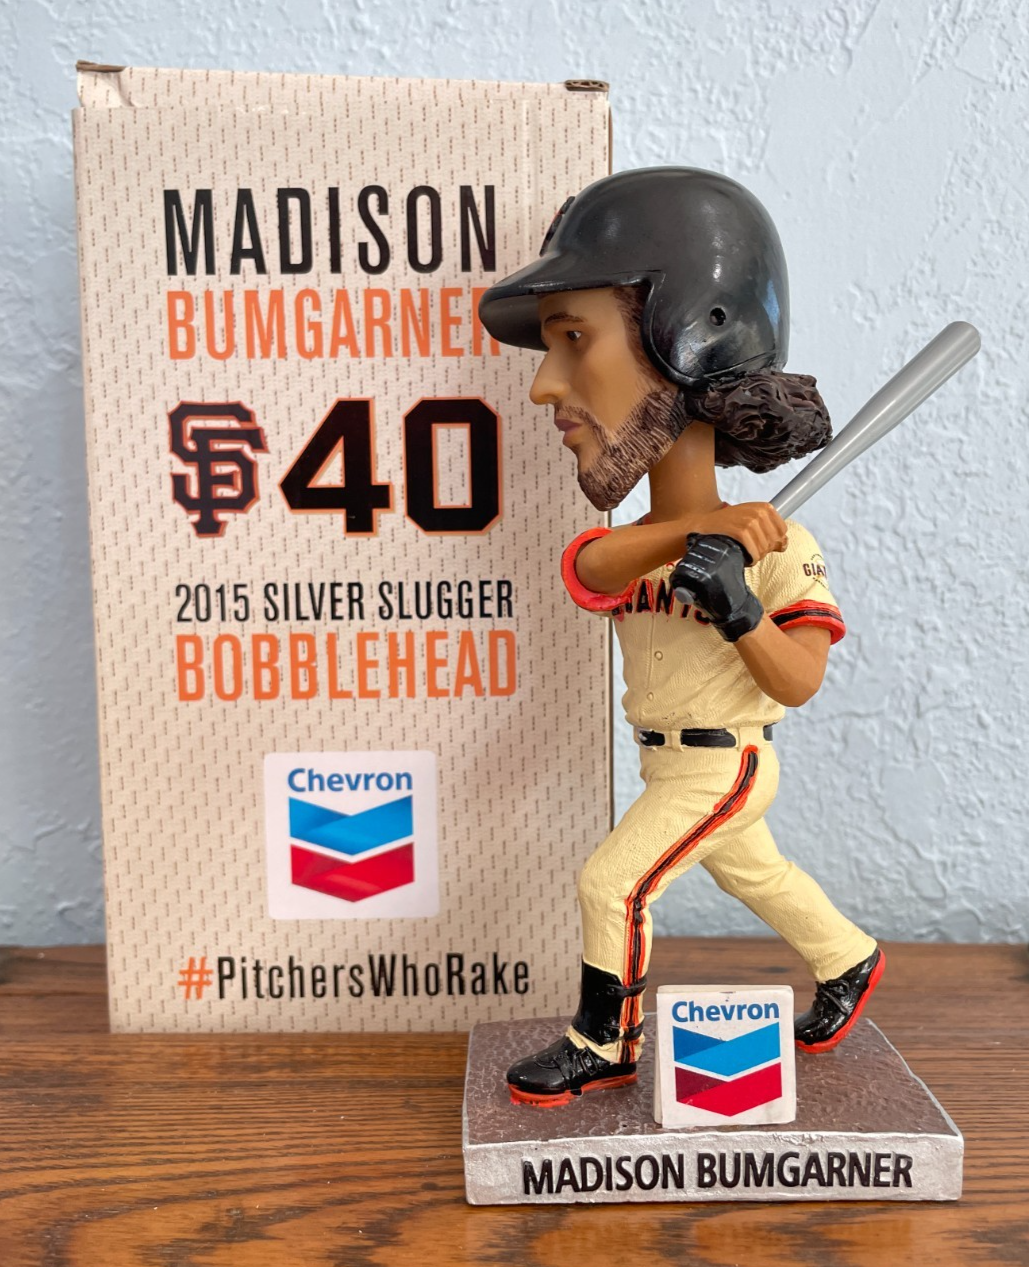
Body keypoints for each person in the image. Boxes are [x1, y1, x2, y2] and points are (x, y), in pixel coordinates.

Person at [479, 168, 884, 1108]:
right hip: (663, 760)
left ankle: (603, 1039)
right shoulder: (658, 542)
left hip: (724, 760)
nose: (543, 385)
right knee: (758, 873)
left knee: (611, 883)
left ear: (689, 337)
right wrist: (695, 534)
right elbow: (588, 566)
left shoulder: (778, 545)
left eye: (574, 338)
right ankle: (849, 957)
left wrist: (739, 607)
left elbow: (797, 681)